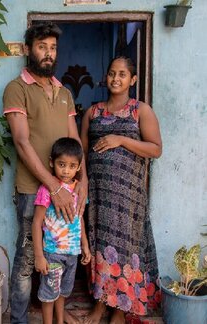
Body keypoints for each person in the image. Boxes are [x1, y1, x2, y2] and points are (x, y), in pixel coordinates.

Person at [3, 22, 88, 324]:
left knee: (62, 254)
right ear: (28, 50)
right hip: (33, 191)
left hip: (65, 189)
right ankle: (20, 320)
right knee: (28, 259)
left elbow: (75, 141)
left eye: (52, 48)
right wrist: (53, 186)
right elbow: (22, 142)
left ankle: (58, 315)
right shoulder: (16, 89)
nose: (48, 53)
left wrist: (83, 180)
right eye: (42, 47)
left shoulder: (63, 91)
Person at [80, 56, 162, 324]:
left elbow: (155, 149)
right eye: (112, 73)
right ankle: (100, 305)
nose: (116, 79)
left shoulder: (141, 110)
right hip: (100, 194)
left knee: (124, 249)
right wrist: (81, 182)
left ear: (133, 80)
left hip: (128, 196)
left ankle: (119, 309)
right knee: (100, 246)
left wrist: (120, 140)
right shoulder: (92, 112)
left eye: (122, 74)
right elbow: (81, 151)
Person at [32, 137, 91, 324]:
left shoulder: (79, 191)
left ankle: (60, 320)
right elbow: (36, 223)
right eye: (61, 164)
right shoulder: (47, 190)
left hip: (72, 254)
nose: (66, 170)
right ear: (52, 162)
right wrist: (39, 256)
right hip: (52, 254)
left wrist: (85, 246)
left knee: (63, 292)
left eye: (72, 166)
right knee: (49, 294)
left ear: (79, 167)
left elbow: (79, 219)